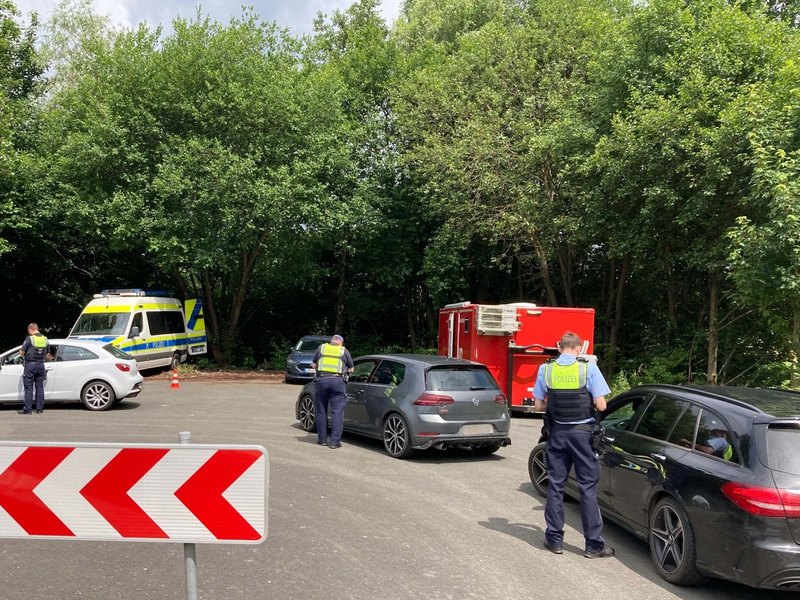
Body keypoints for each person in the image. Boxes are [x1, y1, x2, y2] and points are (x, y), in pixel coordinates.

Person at [533, 331, 614, 558]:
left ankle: (555, 541)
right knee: (587, 488)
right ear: (579, 348)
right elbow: (602, 406)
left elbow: (539, 406)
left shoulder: (546, 369)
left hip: (557, 434)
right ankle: (593, 546)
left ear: (559, 347)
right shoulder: (587, 368)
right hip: (583, 436)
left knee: (556, 486)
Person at [311, 335, 354, 449]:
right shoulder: (343, 350)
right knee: (337, 412)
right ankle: (334, 442)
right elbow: (351, 368)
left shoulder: (322, 348)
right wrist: (347, 372)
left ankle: (322, 440)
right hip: (337, 382)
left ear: (332, 341)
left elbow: (314, 365)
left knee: (321, 411)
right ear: (340, 342)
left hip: (322, 381)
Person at [18, 323, 52, 415]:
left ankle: (28, 410)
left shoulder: (30, 338)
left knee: (28, 388)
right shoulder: (45, 339)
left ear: (30, 330)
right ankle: (39, 409)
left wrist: (20, 352)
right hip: (41, 365)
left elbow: (22, 352)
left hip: (30, 365)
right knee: (39, 387)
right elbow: (48, 354)